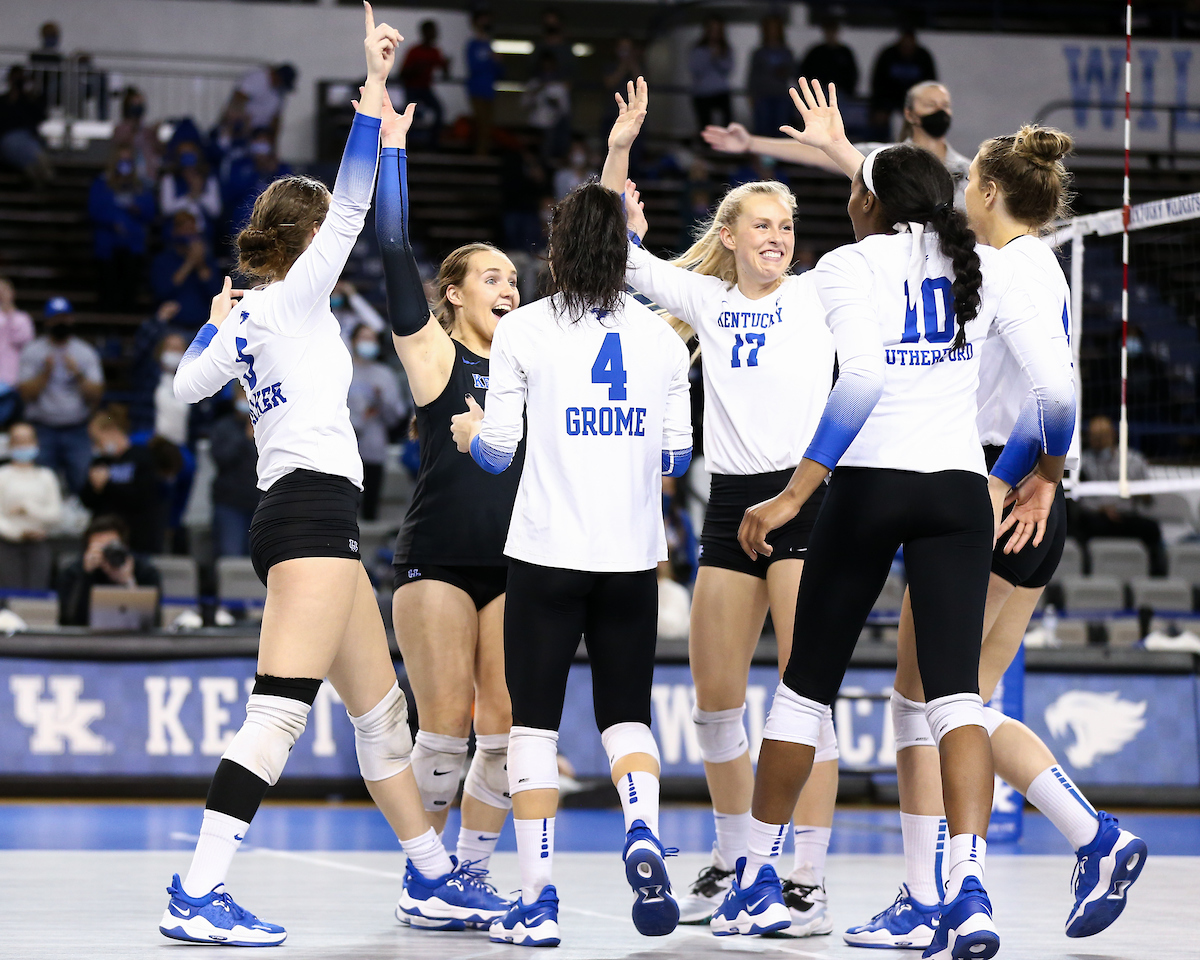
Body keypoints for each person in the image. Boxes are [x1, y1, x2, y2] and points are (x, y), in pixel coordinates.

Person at [161, 11, 503, 945]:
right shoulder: (296, 296)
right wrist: (372, 96)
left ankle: (431, 877)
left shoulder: (251, 316)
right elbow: (353, 211)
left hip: (312, 515)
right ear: (305, 237)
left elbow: (186, 388)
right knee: (279, 710)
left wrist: (215, 322)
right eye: (322, 233)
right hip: (310, 511)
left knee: (381, 715)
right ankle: (198, 890)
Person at [727, 142, 1074, 958]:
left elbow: (861, 383)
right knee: (955, 700)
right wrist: (1047, 474)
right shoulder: (987, 265)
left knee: (804, 691)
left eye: (854, 188)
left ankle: (757, 878)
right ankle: (969, 888)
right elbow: (1058, 390)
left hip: (871, 487)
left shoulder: (848, 266)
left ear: (869, 203)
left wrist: (793, 493)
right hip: (957, 493)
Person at [846, 128, 1148, 951]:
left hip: (995, 487)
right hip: (1033, 498)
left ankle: (932, 894)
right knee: (963, 704)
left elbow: (1052, 396)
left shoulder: (1015, 268)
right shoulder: (1028, 262)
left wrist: (1007, 476)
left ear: (987, 193)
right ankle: (1090, 839)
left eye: (967, 181)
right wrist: (845, 151)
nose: (956, 194)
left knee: (924, 703)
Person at [603, 79, 841, 938]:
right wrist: (620, 149)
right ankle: (740, 859)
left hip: (804, 499)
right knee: (714, 702)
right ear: (731, 237)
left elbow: (887, 210)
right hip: (733, 504)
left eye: (786, 227)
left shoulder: (818, 295)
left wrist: (831, 149)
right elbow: (615, 249)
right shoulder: (709, 301)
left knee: (803, 699)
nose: (777, 238)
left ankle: (805, 881)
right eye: (762, 226)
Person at [450, 179, 693, 947]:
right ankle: (642, 827)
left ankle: (538, 897)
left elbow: (498, 453)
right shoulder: (662, 339)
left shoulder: (524, 329)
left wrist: (472, 435)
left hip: (546, 553)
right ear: (626, 252)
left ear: (556, 252)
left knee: (532, 724)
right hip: (631, 557)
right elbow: (677, 458)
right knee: (627, 715)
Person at [374, 93, 521, 898]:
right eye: (492, 277)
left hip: (518, 561)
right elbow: (393, 247)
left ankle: (471, 873)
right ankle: (424, 875)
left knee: (503, 731)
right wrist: (392, 150)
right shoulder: (436, 357)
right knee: (444, 728)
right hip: (438, 558)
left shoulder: (534, 365)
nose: (509, 288)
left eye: (514, 279)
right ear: (456, 294)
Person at [703, 79, 970, 209]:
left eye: (945, 105)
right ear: (909, 114)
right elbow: (822, 153)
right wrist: (751, 143)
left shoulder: (969, 170)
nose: (940, 111)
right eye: (931, 104)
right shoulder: (887, 158)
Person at [18, 298, 104, 495]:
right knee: (41, 484)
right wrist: (45, 373)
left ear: (71, 319)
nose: (61, 323)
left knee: (82, 481)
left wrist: (78, 374)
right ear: (47, 321)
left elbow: (97, 394)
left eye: (64, 318)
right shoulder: (33, 351)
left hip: (76, 427)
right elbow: (25, 394)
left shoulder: (84, 352)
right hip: (42, 428)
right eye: (56, 318)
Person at [1072, 414, 1167, 575]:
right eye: (1094, 436)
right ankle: (1085, 573)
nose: (1099, 440)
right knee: (1078, 527)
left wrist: (1140, 491)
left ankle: (1156, 576)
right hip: (1098, 517)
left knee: (1152, 528)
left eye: (1103, 435)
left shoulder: (1134, 460)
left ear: (1113, 434)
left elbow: (1149, 499)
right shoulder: (1083, 463)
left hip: (1126, 516)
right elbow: (1079, 498)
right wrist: (1101, 509)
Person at [81, 408, 164, 555]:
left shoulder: (142, 457)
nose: (96, 446)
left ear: (112, 431)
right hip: (105, 536)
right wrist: (95, 486)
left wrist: (108, 484)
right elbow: (87, 500)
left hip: (137, 537)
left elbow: (143, 497)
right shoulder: (100, 462)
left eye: (98, 440)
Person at [57, 514, 161, 626]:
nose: (107, 554)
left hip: (131, 636)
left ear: (125, 547)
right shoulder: (73, 573)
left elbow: (152, 623)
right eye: (100, 549)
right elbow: (68, 621)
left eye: (112, 547)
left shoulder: (145, 572)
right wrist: (85, 575)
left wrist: (128, 582)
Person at [347, 323, 405, 520]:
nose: (368, 343)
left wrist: (382, 401)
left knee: (370, 510)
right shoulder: (343, 370)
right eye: (363, 338)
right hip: (345, 448)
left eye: (371, 338)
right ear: (353, 341)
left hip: (374, 448)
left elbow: (396, 416)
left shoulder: (384, 374)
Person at [88, 144, 156, 310]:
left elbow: (150, 212)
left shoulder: (140, 186)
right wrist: (112, 221)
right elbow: (94, 209)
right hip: (108, 245)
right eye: (121, 160)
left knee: (130, 289)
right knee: (108, 289)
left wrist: (138, 209)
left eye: (128, 161)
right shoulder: (102, 184)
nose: (124, 165)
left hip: (132, 246)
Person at [0, 421, 62, 590]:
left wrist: (27, 507)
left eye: (28, 440)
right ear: (10, 444)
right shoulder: (2, 475)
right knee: (10, 596)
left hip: (39, 543)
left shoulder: (46, 476)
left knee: (37, 595)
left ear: (36, 443)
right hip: (7, 544)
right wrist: (18, 533)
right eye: (18, 440)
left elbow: (55, 514)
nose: (23, 445)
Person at [210, 385, 260, 559]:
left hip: (260, 505)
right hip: (230, 505)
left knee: (259, 560)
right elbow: (221, 459)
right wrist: (245, 438)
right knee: (230, 558)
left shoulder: (268, 428)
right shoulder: (223, 427)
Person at [150, 212, 222, 327]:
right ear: (175, 231)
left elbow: (215, 292)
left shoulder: (207, 261)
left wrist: (200, 263)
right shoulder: (163, 260)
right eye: (185, 229)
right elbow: (163, 291)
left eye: (192, 230)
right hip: (172, 325)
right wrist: (190, 262)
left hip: (202, 325)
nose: (189, 235)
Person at [869, 27, 937, 137]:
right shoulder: (888, 55)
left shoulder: (923, 57)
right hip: (890, 99)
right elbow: (877, 83)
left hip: (914, 100)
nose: (907, 46)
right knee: (880, 119)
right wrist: (879, 107)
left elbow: (930, 85)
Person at [399, 19, 449, 146]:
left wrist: (447, 65)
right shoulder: (414, 51)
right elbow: (402, 73)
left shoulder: (434, 51)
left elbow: (444, 72)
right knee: (410, 116)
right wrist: (416, 70)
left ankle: (432, 143)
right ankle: (406, 144)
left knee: (439, 111)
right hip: (412, 88)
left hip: (425, 89)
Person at [0, 65, 52, 186]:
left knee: (30, 148)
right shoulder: (3, 100)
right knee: (17, 145)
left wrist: (32, 96)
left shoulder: (29, 100)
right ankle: (38, 170)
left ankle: (37, 170)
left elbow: (41, 116)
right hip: (8, 139)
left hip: (28, 137)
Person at [225, 62, 297, 148]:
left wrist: (273, 144)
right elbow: (239, 99)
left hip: (261, 133)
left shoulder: (280, 92)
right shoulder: (258, 78)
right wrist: (239, 124)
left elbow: (276, 118)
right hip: (241, 129)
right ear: (277, 76)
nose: (280, 85)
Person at [160, 141, 223, 239]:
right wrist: (189, 196)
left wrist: (199, 194)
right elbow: (166, 209)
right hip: (177, 233)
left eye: (190, 154)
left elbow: (216, 211)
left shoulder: (209, 178)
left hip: (203, 233)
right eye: (183, 155)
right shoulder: (170, 179)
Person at [747, 15, 796, 137]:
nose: (772, 31)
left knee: (782, 130)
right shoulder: (759, 53)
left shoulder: (786, 52)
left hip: (781, 96)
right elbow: (753, 75)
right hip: (762, 96)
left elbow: (794, 72)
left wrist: (784, 71)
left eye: (775, 28)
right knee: (763, 131)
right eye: (770, 28)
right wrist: (751, 95)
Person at [0, 278, 35, 426]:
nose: (1, 293)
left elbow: (27, 344)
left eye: (4, 290)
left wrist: (9, 314)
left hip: (13, 382)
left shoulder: (22, 319)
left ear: (12, 293)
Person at [689, 15, 733, 130]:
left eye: (717, 29)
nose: (714, 33)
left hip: (721, 92)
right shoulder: (698, 49)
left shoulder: (725, 49)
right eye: (712, 29)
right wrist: (709, 56)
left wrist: (718, 58)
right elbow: (696, 70)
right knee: (705, 127)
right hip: (702, 93)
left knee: (727, 124)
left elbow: (728, 68)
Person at [466, 11, 500, 154]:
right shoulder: (473, 45)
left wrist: (497, 62)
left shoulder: (490, 45)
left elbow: (499, 71)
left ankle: (483, 151)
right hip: (476, 89)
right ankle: (480, 153)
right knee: (481, 123)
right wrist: (490, 60)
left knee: (488, 123)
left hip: (489, 89)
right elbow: (474, 67)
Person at [111, 86, 162, 182]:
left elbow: (160, 151)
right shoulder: (120, 129)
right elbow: (119, 149)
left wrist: (155, 134)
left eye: (140, 104)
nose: (138, 107)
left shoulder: (147, 131)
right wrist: (133, 130)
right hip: (128, 179)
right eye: (135, 104)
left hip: (149, 177)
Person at [799, 18, 859, 98]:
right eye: (828, 31)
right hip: (818, 91)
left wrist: (849, 91)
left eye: (832, 31)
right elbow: (805, 71)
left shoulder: (844, 52)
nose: (830, 34)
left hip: (839, 92)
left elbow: (852, 74)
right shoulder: (816, 52)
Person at [153, 332, 191, 446]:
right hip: (154, 443)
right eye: (171, 348)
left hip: (185, 446)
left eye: (178, 349)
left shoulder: (195, 382)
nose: (174, 352)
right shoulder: (148, 381)